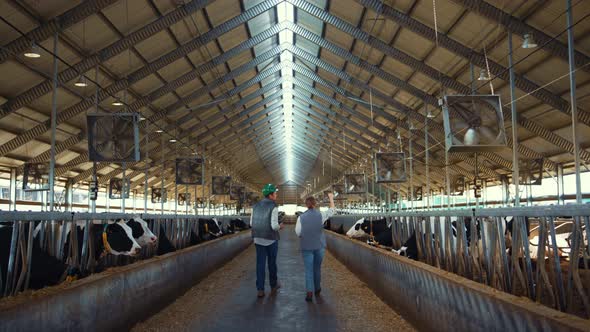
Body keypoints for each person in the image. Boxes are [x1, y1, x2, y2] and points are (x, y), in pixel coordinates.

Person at [295, 192, 335, 302]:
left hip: (307, 246)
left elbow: (298, 232)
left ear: (306, 205)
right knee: (317, 268)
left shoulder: (301, 218)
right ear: (315, 204)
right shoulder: (321, 215)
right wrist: (331, 198)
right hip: (319, 246)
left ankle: (309, 292)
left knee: (308, 269)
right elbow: (332, 211)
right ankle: (317, 289)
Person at [250, 183, 283, 298]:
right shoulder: (273, 206)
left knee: (260, 264)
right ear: (270, 195)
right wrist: (280, 226)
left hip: (257, 239)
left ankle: (260, 289)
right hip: (270, 239)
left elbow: (251, 223)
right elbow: (274, 226)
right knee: (271, 263)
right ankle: (273, 285)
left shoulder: (255, 206)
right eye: (275, 193)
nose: (276, 194)